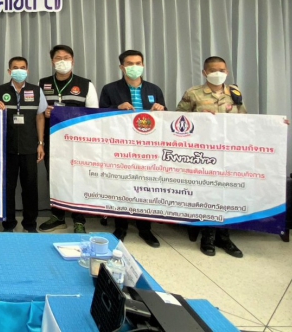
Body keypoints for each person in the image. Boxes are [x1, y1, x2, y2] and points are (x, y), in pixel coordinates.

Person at [176, 56, 245, 258]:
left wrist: (276, 126)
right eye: (213, 70)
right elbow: (178, 120)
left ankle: (224, 236)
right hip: (203, 153)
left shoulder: (235, 93)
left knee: (227, 192)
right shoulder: (193, 93)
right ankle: (208, 236)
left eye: (222, 70)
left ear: (227, 71)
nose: (218, 73)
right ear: (205, 72)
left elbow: (245, 120)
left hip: (228, 151)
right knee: (207, 192)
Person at [99, 50, 166, 247]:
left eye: (138, 63)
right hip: (120, 145)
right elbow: (99, 116)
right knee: (121, 185)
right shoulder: (110, 89)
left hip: (147, 146)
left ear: (143, 65)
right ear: (122, 67)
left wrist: (162, 110)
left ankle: (145, 228)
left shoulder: (154, 89)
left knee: (145, 186)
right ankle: (120, 227)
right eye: (130, 63)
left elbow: (166, 118)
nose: (135, 67)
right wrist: (116, 108)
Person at [38, 45, 99, 234]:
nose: (62, 61)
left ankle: (79, 220)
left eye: (66, 57)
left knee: (78, 178)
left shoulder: (85, 84)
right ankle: (57, 216)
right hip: (52, 140)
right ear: (52, 61)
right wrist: (45, 113)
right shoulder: (43, 84)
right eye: (58, 58)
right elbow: (38, 113)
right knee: (54, 178)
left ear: (73, 60)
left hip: (77, 142)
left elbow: (93, 115)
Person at [0, 56, 46, 233]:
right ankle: (8, 224)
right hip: (7, 147)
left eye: (22, 67)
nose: (19, 70)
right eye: (15, 67)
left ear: (27, 70)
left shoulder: (36, 91)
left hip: (29, 147)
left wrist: (41, 143)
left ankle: (30, 225)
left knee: (30, 188)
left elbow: (40, 117)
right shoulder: (0, 91)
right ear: (9, 71)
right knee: (7, 188)